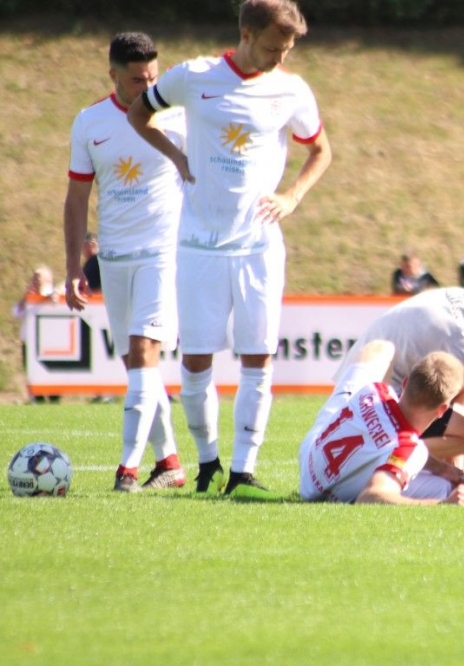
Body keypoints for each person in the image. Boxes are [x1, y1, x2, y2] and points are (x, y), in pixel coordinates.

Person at [128, 0, 332, 496]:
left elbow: (320, 150)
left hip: (258, 246)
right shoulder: (193, 76)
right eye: (273, 48)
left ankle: (243, 470)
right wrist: (177, 157)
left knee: (258, 359)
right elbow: (139, 114)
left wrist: (292, 196)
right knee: (196, 360)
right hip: (198, 245)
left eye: (287, 50)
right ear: (246, 34)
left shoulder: (291, 89)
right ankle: (208, 464)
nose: (280, 58)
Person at [64, 32, 187, 492]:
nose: (147, 88)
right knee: (138, 369)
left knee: (142, 353)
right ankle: (169, 463)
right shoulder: (89, 122)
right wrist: (73, 267)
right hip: (114, 258)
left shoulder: (178, 117)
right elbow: (77, 198)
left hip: (162, 253)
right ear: (113, 75)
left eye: (153, 78)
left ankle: (127, 470)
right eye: (137, 80)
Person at [331, 286, 464, 474]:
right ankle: (393, 454)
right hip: (377, 412)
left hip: (353, 387)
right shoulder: (463, 334)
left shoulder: (457, 296)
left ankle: (448, 467)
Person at [299, 340, 464, 505]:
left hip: (310, 454)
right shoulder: (410, 448)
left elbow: (396, 443)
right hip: (319, 493)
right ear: (442, 410)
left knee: (381, 348)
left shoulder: (374, 389)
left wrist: (441, 468)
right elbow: (370, 496)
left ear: (405, 383)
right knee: (442, 488)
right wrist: (442, 504)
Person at [13, 266, 62, 404]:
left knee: (51, 372)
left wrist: (50, 296)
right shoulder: (29, 296)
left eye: (38, 277)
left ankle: (54, 399)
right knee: (32, 373)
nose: (34, 280)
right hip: (29, 341)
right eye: (34, 277)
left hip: (48, 342)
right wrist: (25, 298)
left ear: (48, 279)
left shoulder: (53, 293)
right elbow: (17, 313)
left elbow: (57, 300)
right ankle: (37, 399)